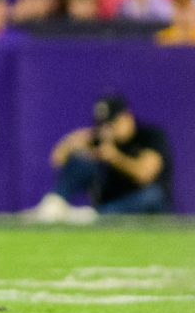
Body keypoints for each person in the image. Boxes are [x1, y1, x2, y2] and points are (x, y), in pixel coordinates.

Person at [25, 93, 172, 222]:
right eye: (103, 124)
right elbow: (57, 159)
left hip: (141, 205)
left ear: (127, 117)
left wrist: (114, 157)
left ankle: (95, 216)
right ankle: (54, 205)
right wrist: (74, 140)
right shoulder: (101, 138)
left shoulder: (150, 135)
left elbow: (145, 174)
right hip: (110, 200)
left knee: (153, 194)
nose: (107, 128)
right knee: (82, 161)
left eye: (112, 122)